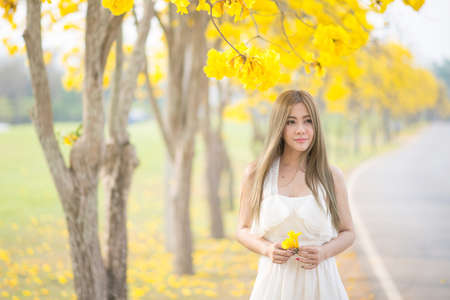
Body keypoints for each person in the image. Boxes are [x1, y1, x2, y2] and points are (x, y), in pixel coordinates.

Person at [236, 90, 355, 299]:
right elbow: (242, 229)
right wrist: (267, 249)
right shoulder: (256, 174)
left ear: (316, 125)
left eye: (307, 121)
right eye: (291, 122)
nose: (301, 130)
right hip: (273, 285)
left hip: (322, 284)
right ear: (279, 126)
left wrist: (324, 252)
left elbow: (348, 232)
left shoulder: (331, 176)